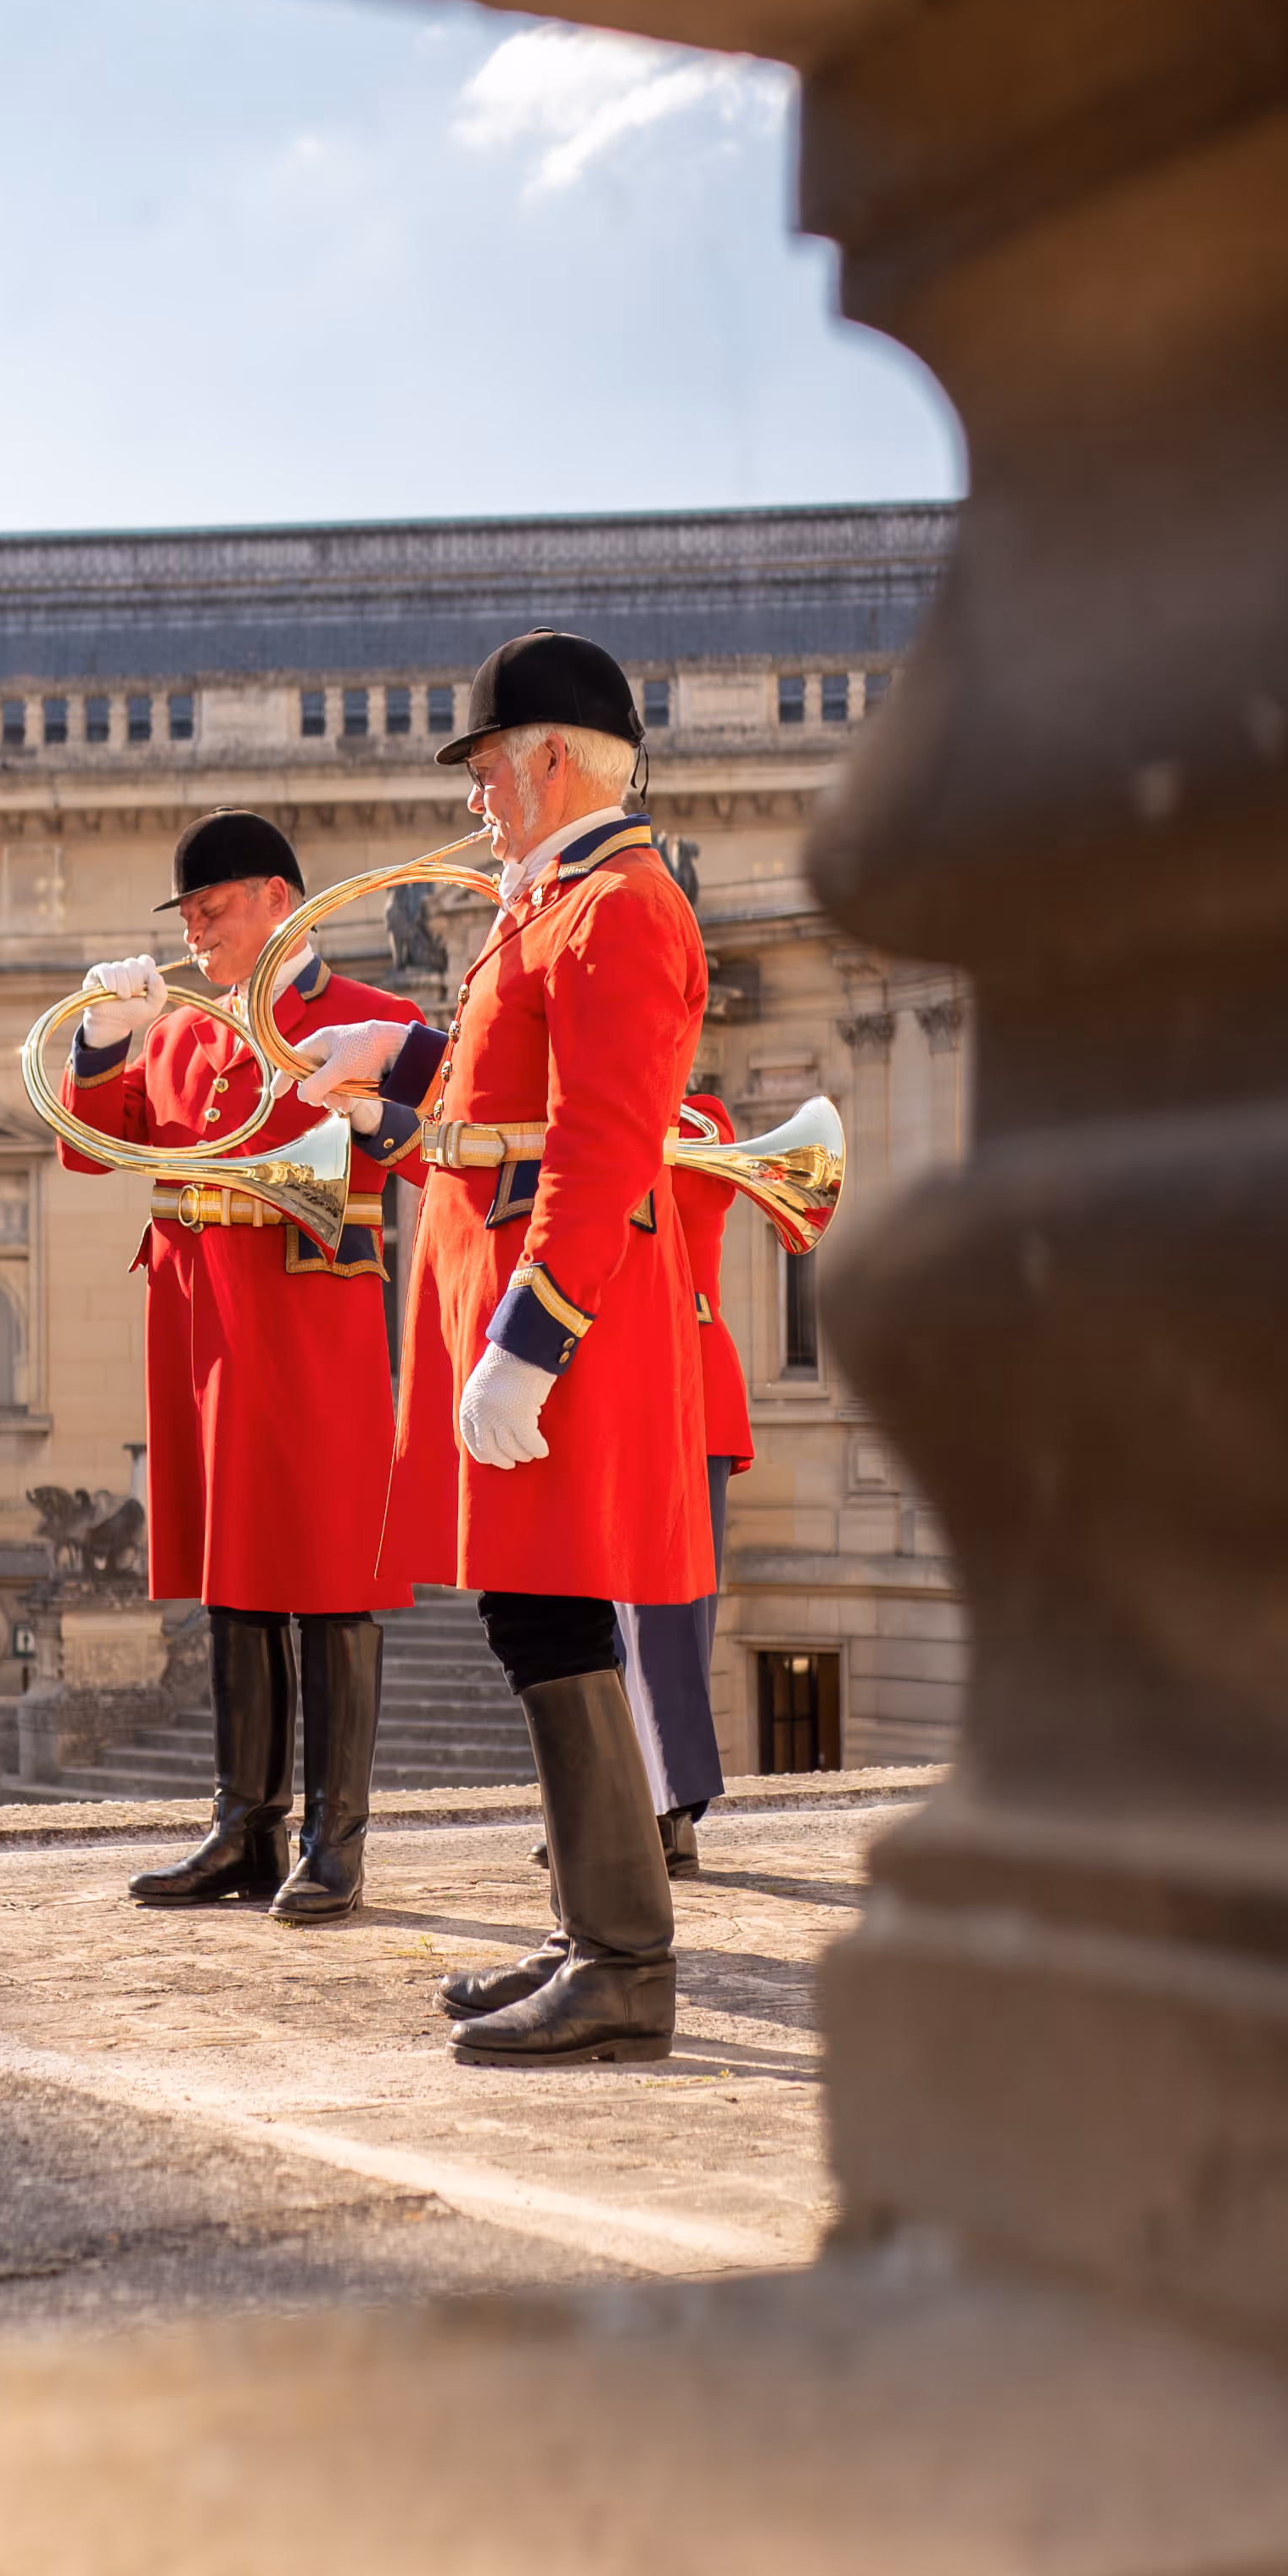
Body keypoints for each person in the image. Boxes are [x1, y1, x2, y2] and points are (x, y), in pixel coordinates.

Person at [297, 632, 711, 2066]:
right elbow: (497, 1087)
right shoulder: (555, 907)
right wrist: (390, 1067)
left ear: (545, 758)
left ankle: (622, 1960)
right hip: (500, 1284)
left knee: (545, 1613)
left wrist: (531, 1341)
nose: (474, 795)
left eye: (483, 767)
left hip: (559, 1309)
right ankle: (590, 1932)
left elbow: (598, 1147)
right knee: (535, 1610)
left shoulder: (621, 909)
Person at [57, 809, 427, 1923]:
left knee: (326, 1577)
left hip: (314, 1317)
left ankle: (336, 1836)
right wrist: (104, 1037)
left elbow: (436, 1129)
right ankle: (242, 1827)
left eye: (212, 911)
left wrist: (371, 1102)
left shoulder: (370, 1016)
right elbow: (86, 1144)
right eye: (188, 916)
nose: (197, 935)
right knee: (233, 1578)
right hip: (201, 1324)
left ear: (276, 898)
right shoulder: (179, 1030)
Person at [615, 1090, 754, 1877]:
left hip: (687, 1381)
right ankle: (617, 1801)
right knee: (602, 1613)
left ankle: (671, 1812)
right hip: (606, 1380)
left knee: (672, 1609)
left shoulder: (699, 1119)